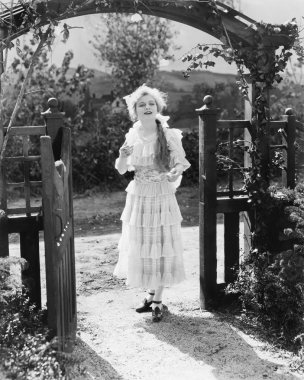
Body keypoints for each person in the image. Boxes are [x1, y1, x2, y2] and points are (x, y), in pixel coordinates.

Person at [114, 84, 190, 322]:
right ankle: (150, 294)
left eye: (151, 104)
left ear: (158, 107)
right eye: (141, 104)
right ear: (134, 110)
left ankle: (157, 299)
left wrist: (174, 173)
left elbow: (181, 163)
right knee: (144, 244)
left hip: (161, 193)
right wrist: (122, 156)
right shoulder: (132, 134)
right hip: (138, 194)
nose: (147, 107)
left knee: (162, 242)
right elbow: (121, 170)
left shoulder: (168, 134)